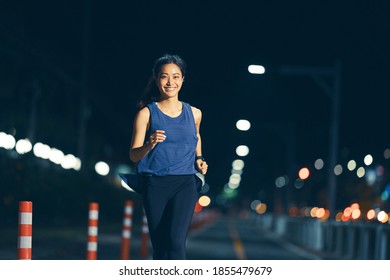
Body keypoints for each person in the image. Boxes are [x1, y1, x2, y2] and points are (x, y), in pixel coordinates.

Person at [129, 54, 208, 260]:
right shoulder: (146, 113)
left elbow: (196, 135)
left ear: (183, 79)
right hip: (154, 184)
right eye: (164, 77)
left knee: (175, 243)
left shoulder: (195, 113)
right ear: (156, 79)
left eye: (175, 76)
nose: (170, 82)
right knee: (161, 247)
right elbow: (134, 155)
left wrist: (199, 157)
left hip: (184, 183)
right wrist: (149, 144)